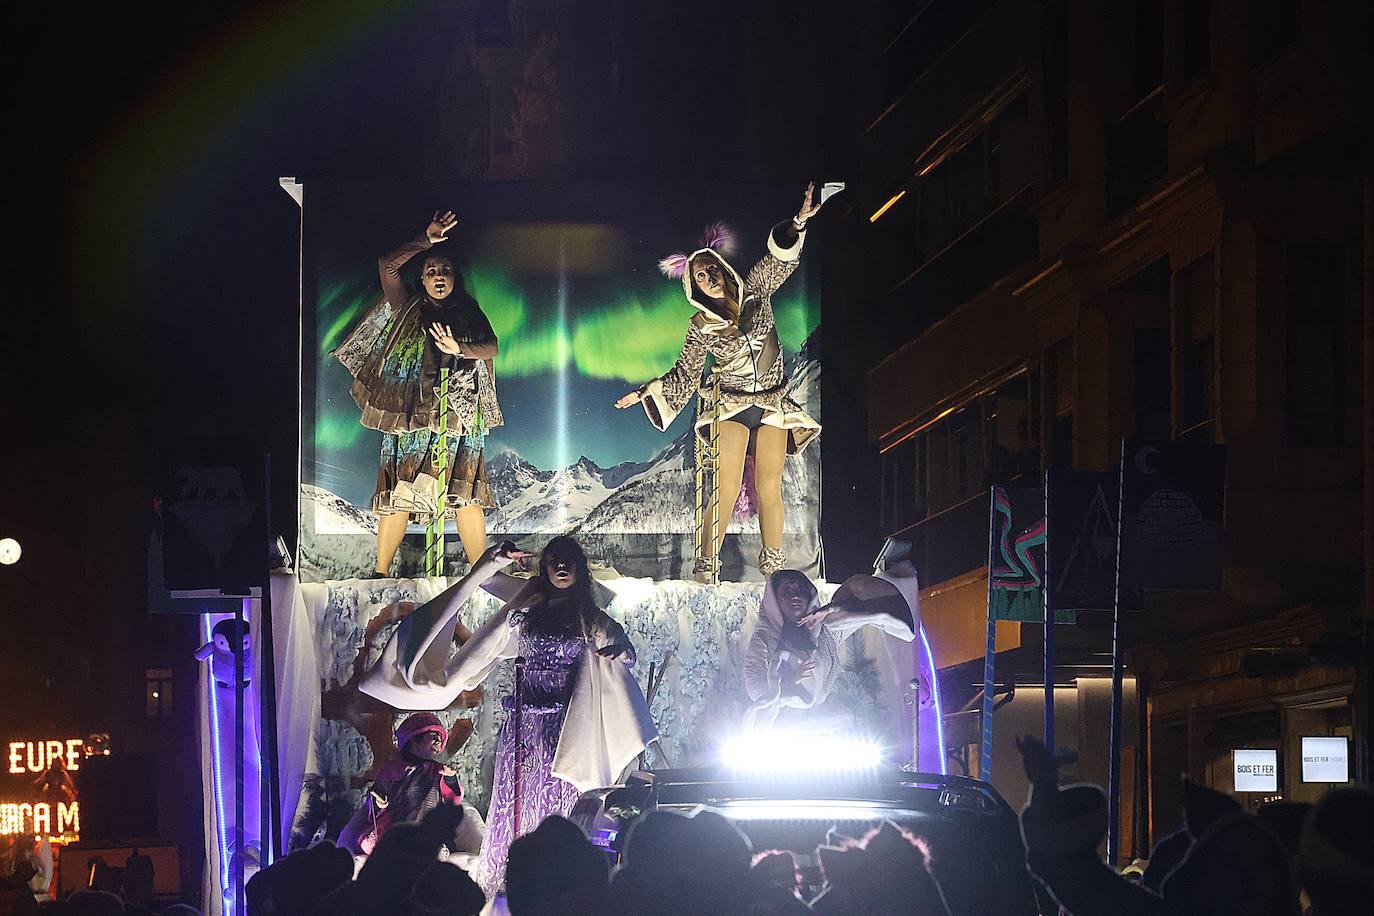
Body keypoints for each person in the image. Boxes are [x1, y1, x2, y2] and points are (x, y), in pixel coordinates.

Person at [359, 537, 657, 897]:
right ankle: (508, 879)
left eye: (569, 561)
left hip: (561, 727)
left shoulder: (587, 616)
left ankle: (552, 878)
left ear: (580, 568)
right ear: (545, 567)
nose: (562, 567)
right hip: (522, 725)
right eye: (554, 560)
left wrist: (622, 652)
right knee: (515, 798)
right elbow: (484, 579)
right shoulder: (529, 602)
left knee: (554, 797)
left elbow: (624, 649)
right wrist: (495, 558)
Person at [615, 185, 825, 580]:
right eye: (701, 276)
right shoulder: (700, 326)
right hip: (732, 407)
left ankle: (773, 568)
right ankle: (706, 563)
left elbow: (779, 261)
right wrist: (647, 390)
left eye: (712, 269)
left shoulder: (757, 293)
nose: (709, 277)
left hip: (773, 404)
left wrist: (798, 222)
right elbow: (686, 373)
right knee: (725, 487)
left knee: (769, 485)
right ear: (694, 287)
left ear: (722, 268)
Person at [333, 210, 503, 576]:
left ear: (455, 277)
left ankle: (482, 573)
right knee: (399, 490)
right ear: (422, 278)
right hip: (409, 414)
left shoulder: (468, 311)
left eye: (445, 270)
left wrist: (460, 349)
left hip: (457, 413)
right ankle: (381, 571)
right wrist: (426, 240)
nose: (439, 276)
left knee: (464, 492)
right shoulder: (405, 305)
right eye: (431, 271)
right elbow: (387, 266)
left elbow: (491, 347)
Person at [743, 569, 916, 734]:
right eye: (786, 592)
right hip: (783, 729)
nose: (795, 596)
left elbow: (888, 615)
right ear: (774, 600)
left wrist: (835, 609)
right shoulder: (764, 639)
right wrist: (790, 683)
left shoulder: (825, 633)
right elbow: (755, 688)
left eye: (800, 590)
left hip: (824, 728)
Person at [336, 712, 484, 867]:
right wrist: (379, 803)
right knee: (372, 843)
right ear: (414, 740)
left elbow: (453, 799)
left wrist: (450, 778)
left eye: (440, 738)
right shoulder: (392, 769)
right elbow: (375, 799)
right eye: (433, 736)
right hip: (397, 823)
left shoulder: (437, 770)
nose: (438, 741)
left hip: (426, 825)